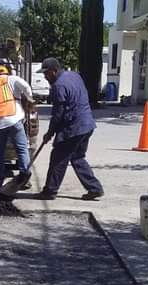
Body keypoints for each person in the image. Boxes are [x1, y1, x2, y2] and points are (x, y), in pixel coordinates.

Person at [34, 57, 104, 200]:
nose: (45, 77)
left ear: (54, 71)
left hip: (74, 127)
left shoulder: (58, 86)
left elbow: (58, 114)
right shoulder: (74, 75)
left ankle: (50, 191)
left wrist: (50, 133)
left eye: (46, 74)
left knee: (58, 158)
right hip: (87, 125)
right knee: (77, 157)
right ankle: (95, 188)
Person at [0, 65, 35, 191]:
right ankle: (25, 178)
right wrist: (29, 98)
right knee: (22, 149)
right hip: (14, 120)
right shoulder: (12, 79)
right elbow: (26, 87)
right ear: (7, 73)